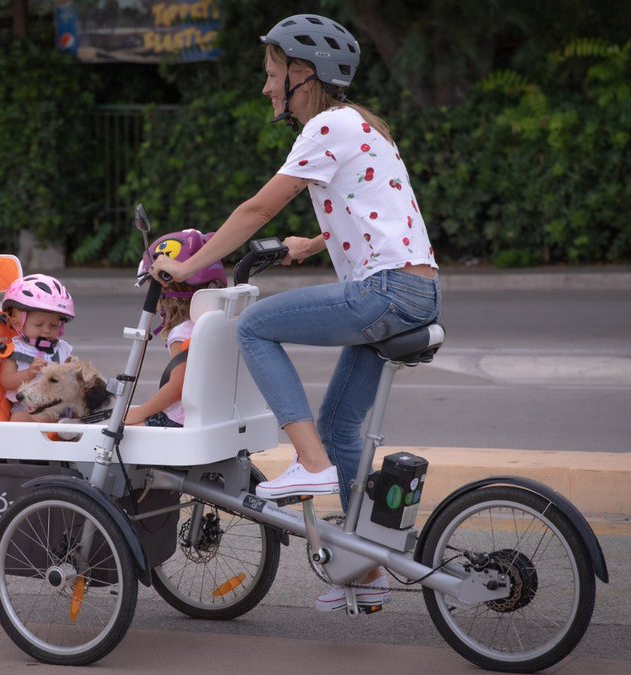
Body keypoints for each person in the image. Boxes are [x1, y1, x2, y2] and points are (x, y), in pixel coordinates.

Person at [149, 13, 441, 614]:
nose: (265, 88)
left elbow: (257, 209)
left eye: (272, 74)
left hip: (384, 293)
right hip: (411, 290)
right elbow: (371, 207)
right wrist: (308, 245)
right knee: (339, 428)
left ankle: (307, 466)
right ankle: (367, 566)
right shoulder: (361, 125)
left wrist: (187, 265)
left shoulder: (327, 125)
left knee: (253, 325)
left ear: (304, 74)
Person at [125, 229, 227, 428]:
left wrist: (140, 412)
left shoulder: (183, 334)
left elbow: (177, 388)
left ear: (166, 290)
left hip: (180, 419)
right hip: (213, 414)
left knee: (119, 430)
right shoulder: (217, 324)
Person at [0, 273, 76, 422]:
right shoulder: (15, 350)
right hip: (27, 405)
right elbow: (6, 382)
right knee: (18, 419)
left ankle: (74, 431)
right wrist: (28, 373)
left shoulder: (62, 349)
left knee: (87, 409)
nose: (47, 330)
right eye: (39, 325)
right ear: (17, 324)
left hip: (60, 402)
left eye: (53, 325)